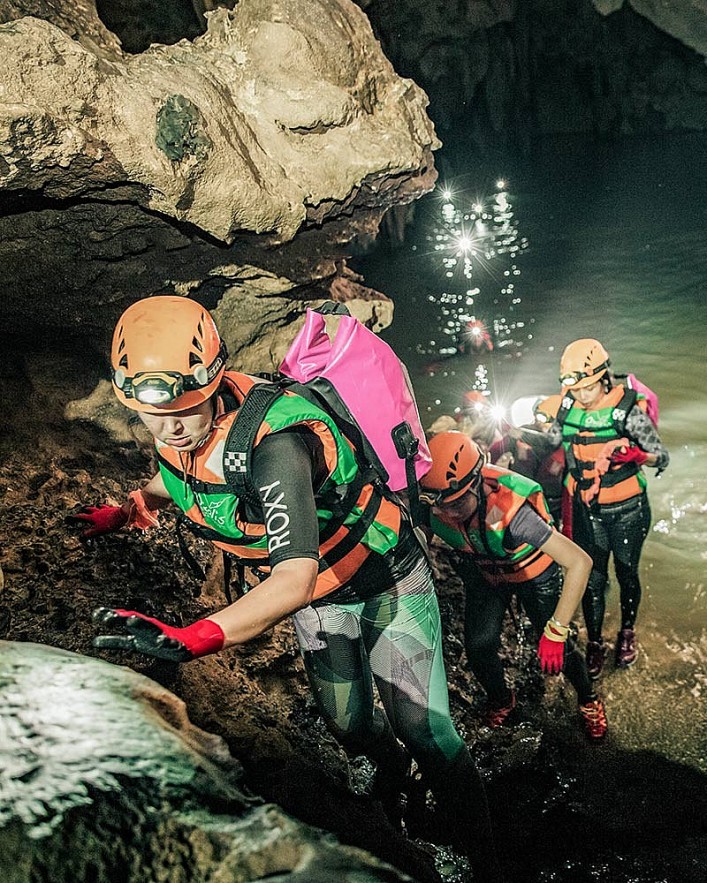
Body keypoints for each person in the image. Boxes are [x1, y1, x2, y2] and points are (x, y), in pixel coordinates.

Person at [70, 295, 503, 879]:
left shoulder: (275, 445)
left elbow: (293, 575)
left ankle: (485, 855)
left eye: (185, 405)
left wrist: (197, 636)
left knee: (425, 729)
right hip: (322, 600)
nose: (171, 423)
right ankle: (395, 786)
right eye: (154, 412)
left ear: (215, 379)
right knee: (348, 725)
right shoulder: (180, 430)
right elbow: (183, 471)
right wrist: (131, 507)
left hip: (383, 579)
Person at [419, 431, 607, 740]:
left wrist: (556, 629)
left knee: (562, 649)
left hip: (534, 575)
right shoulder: (435, 502)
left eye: (455, 505)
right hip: (487, 571)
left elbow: (579, 562)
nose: (446, 515)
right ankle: (501, 698)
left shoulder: (513, 514)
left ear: (477, 484)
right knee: (478, 646)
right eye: (440, 508)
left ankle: (588, 698)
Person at [545, 338, 669, 677]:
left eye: (588, 388)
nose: (582, 396)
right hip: (588, 511)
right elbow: (553, 440)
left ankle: (627, 632)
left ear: (604, 378)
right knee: (593, 579)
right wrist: (525, 432)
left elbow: (662, 457)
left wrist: (641, 456)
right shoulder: (567, 406)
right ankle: (595, 642)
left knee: (627, 572)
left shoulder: (628, 411)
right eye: (576, 388)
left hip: (629, 510)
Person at [487, 395, 566, 523]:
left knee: (541, 538)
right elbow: (495, 451)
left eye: (548, 419)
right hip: (512, 493)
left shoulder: (566, 447)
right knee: (491, 525)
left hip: (548, 505)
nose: (541, 422)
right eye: (540, 416)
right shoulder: (520, 435)